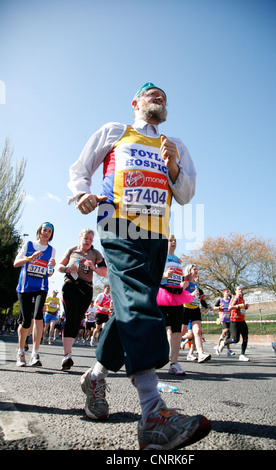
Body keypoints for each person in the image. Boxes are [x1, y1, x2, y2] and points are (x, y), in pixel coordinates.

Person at [67, 82, 211, 450]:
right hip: (117, 223)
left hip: (156, 235)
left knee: (136, 304)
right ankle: (152, 413)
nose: (158, 99)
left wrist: (173, 164)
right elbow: (80, 168)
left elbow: (185, 195)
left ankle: (96, 376)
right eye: (152, 95)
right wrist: (82, 193)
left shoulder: (173, 144)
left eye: (163, 97)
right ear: (136, 103)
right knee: (137, 299)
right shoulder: (116, 131)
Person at [57, 228, 107, 370]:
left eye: (90, 239)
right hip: (70, 285)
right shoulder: (72, 250)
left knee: (77, 319)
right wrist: (67, 269)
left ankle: (68, 353)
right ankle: (67, 355)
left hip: (86, 288)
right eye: (86, 238)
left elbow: (105, 271)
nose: (88, 241)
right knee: (71, 316)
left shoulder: (95, 253)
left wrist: (94, 267)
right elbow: (59, 266)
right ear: (80, 238)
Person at [14, 222, 56, 367]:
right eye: (45, 230)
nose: (46, 233)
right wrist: (30, 258)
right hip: (25, 287)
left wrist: (52, 267)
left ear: (51, 235)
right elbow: (16, 263)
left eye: (49, 231)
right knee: (26, 321)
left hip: (41, 287)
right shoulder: (29, 245)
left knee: (38, 315)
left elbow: (49, 273)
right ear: (40, 231)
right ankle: (20, 352)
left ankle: (35, 353)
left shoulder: (51, 250)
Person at [157, 234, 193, 375]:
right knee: (159, 329)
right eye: (170, 240)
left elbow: (178, 279)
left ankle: (174, 363)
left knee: (177, 331)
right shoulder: (160, 256)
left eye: (174, 241)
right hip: (162, 295)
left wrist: (186, 279)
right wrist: (164, 275)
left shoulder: (178, 260)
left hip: (177, 295)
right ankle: (153, 359)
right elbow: (153, 274)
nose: (173, 242)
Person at [181, 265, 211, 363]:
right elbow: (180, 293)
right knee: (181, 333)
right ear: (189, 271)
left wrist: (200, 298)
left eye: (197, 269)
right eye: (194, 269)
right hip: (185, 309)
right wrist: (191, 295)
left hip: (195, 309)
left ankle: (201, 354)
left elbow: (195, 297)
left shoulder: (196, 283)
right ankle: (171, 346)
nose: (196, 271)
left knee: (197, 331)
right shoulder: (186, 281)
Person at [217, 286, 250, 361]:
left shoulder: (242, 299)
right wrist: (238, 306)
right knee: (235, 340)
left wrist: (246, 307)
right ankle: (224, 343)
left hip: (242, 321)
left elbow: (242, 309)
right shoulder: (235, 298)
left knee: (245, 337)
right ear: (235, 291)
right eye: (239, 289)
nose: (240, 291)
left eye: (241, 289)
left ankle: (242, 355)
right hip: (234, 321)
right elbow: (230, 307)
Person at [213, 289, 235, 357]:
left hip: (229, 318)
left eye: (228, 292)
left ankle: (224, 348)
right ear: (223, 293)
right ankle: (221, 346)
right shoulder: (220, 300)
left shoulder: (230, 300)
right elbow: (214, 308)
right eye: (226, 292)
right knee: (227, 332)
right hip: (222, 319)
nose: (227, 293)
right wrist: (220, 307)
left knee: (226, 335)